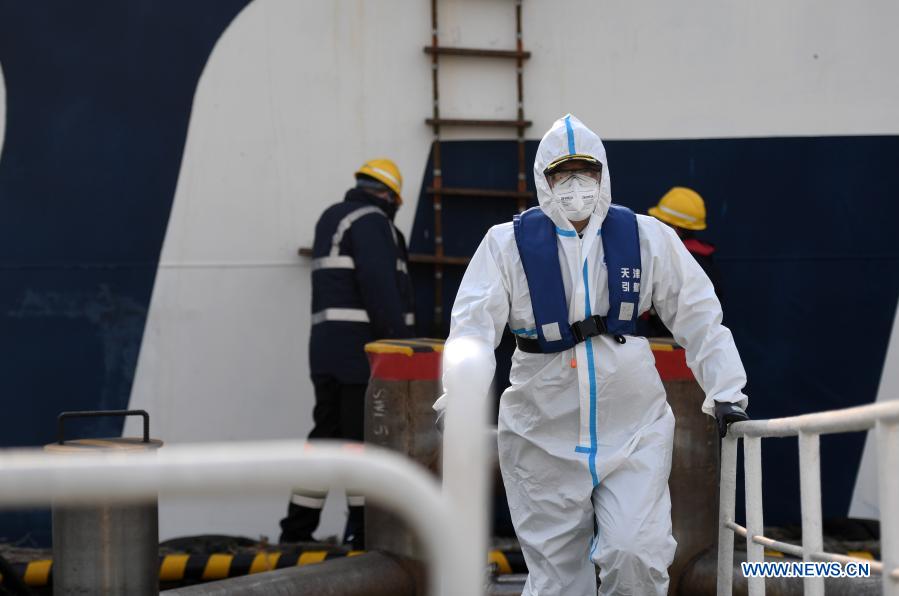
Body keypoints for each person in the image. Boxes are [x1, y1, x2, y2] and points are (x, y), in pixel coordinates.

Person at [434, 115, 749, 595]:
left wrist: (727, 390)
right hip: (542, 437)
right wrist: (457, 397)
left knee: (636, 555)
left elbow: (699, 313)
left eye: (587, 172)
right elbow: (472, 331)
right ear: (545, 180)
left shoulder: (647, 238)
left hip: (634, 432)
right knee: (558, 581)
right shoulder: (505, 247)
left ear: (604, 175)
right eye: (563, 174)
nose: (576, 185)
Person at [279, 158, 415, 547]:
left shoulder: (332, 218)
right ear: (390, 196)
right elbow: (381, 289)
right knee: (363, 439)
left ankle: (296, 531)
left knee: (326, 435)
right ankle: (363, 533)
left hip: (324, 353)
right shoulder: (372, 222)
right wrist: (401, 346)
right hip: (361, 355)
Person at [643, 187, 722, 336]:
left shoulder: (680, 263)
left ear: (676, 229)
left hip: (674, 348)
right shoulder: (702, 261)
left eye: (660, 222)